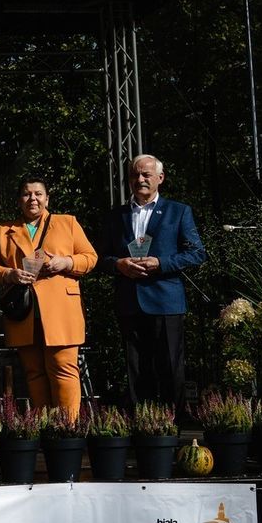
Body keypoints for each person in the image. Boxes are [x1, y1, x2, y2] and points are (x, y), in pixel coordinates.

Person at [97, 154, 207, 411]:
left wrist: (161, 263)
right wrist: (118, 265)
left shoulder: (178, 211)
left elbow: (197, 253)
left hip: (166, 300)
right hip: (130, 301)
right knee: (136, 369)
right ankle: (144, 426)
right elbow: (98, 257)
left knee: (170, 366)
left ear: (160, 178)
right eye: (135, 174)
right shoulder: (115, 216)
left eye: (146, 174)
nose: (140, 179)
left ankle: (175, 425)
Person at [0, 177, 98, 420]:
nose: (33, 199)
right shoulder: (5, 230)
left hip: (60, 310)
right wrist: (9, 274)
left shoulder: (67, 223)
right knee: (34, 372)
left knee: (64, 368)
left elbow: (90, 257)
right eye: (27, 194)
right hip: (24, 310)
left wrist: (66, 262)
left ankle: (68, 429)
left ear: (47, 199)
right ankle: (45, 428)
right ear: (19, 200)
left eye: (38, 194)